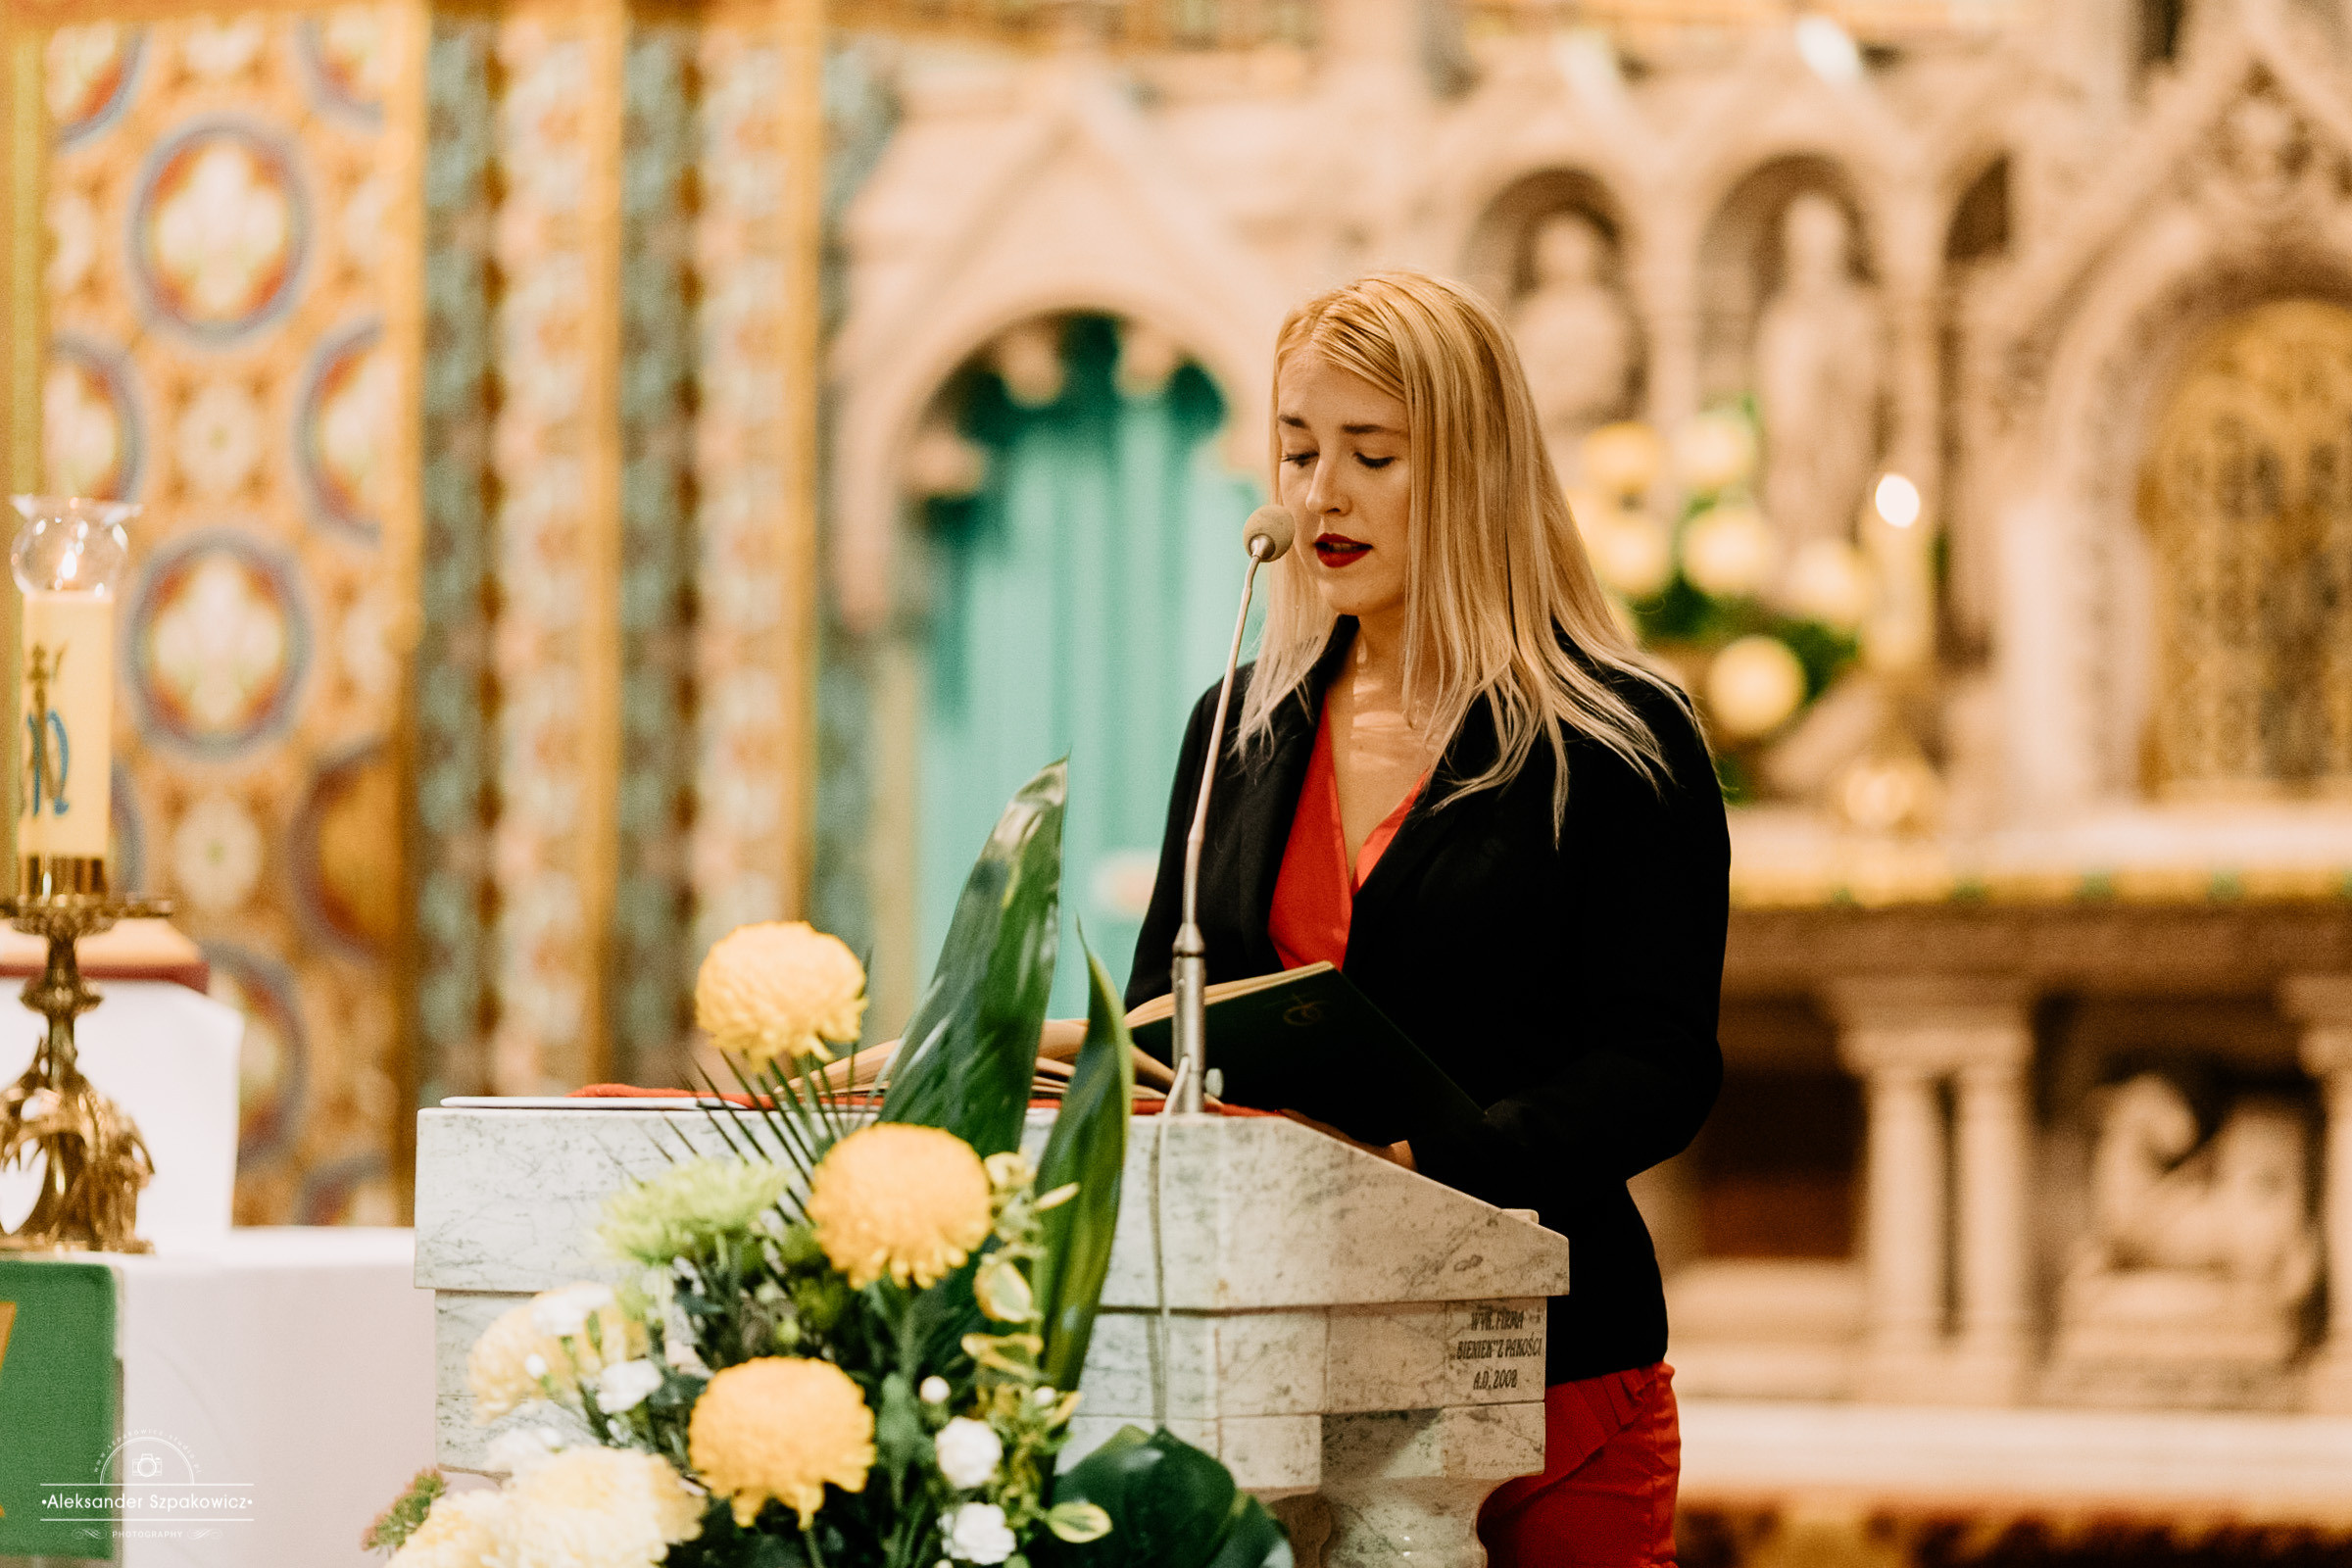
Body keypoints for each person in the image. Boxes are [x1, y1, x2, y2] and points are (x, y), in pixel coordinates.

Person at [1117, 271, 1727, 1567]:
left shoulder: (1613, 736)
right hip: (1282, 1365)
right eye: (1297, 449)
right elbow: (1158, 1029)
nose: (1319, 492)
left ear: (1473, 470)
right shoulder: (1237, 725)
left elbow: (1661, 1066)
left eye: (1370, 454)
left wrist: (1434, 1164)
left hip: (1549, 1361)